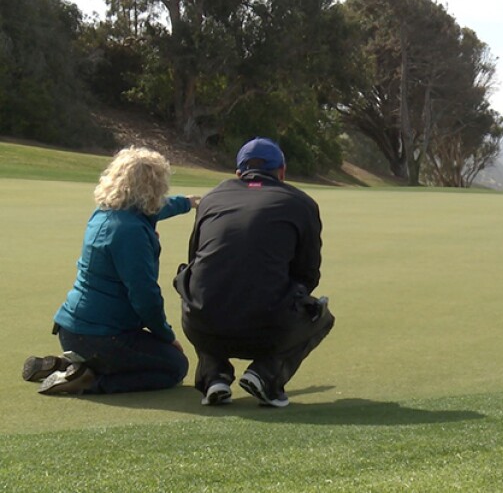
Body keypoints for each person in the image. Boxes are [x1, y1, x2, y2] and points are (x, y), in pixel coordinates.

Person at [23, 147, 198, 395]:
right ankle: (90, 380)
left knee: (153, 356)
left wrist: (188, 203)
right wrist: (167, 336)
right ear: (153, 188)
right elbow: (144, 296)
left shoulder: (109, 212)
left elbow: (158, 209)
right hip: (102, 338)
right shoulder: (131, 232)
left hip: (74, 331)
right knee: (174, 366)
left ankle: (68, 366)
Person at [173, 137, 334, 407]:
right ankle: (266, 374)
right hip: (267, 329)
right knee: (322, 316)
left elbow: (195, 261)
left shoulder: (211, 199)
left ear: (238, 173)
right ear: (281, 171)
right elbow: (308, 274)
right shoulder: (301, 203)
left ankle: (214, 377)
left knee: (199, 287)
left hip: (202, 324)